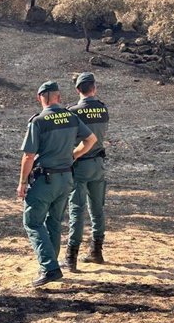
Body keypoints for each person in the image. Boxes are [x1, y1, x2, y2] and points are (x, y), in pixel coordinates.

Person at [17, 81, 97, 287]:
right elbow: (91, 139)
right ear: (58, 97)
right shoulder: (71, 117)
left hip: (46, 180)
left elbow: (28, 156)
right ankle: (51, 265)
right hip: (66, 179)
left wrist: (23, 182)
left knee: (33, 221)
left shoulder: (38, 121)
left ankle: (50, 267)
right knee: (54, 221)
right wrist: (74, 156)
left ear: (40, 98)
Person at [64, 72, 110, 272]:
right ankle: (96, 251)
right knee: (97, 208)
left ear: (77, 90)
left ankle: (71, 257)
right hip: (98, 165)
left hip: (79, 164)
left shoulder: (72, 112)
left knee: (76, 209)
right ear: (95, 88)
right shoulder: (103, 109)